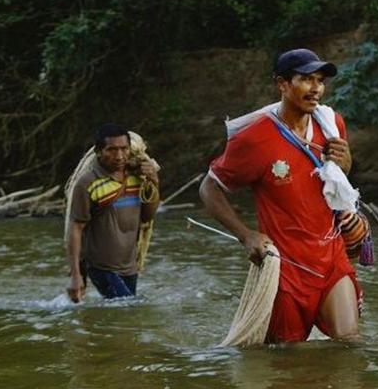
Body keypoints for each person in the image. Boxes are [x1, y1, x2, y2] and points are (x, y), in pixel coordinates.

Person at [199, 48, 362, 343]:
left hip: (331, 256)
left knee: (350, 343)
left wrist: (346, 166)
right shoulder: (254, 139)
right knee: (287, 360)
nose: (316, 89)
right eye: (306, 80)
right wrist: (246, 235)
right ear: (282, 84)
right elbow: (209, 188)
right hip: (286, 269)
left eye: (321, 80)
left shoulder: (331, 124)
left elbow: (336, 184)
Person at [66, 123, 160, 302]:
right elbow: (76, 228)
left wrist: (154, 181)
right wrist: (75, 275)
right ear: (99, 151)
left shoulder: (137, 177)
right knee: (129, 309)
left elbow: (147, 216)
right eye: (112, 150)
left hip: (129, 266)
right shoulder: (87, 183)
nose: (119, 156)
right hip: (101, 267)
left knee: (122, 317)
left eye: (124, 149)